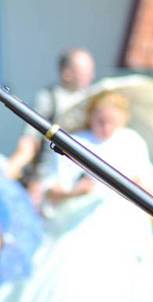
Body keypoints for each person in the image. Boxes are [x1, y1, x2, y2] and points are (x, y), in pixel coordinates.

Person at [1, 91, 153, 302]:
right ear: (91, 116)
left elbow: (149, 186)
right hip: (78, 229)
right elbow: (51, 190)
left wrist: (137, 184)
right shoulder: (77, 142)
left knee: (121, 297)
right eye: (100, 120)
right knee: (73, 294)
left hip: (123, 231)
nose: (105, 126)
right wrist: (77, 192)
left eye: (111, 121)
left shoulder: (131, 142)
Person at [4, 48, 95, 204]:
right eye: (84, 70)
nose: (90, 75)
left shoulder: (94, 100)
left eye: (90, 70)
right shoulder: (50, 97)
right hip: (46, 182)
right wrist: (9, 173)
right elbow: (29, 141)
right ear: (67, 72)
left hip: (79, 179)